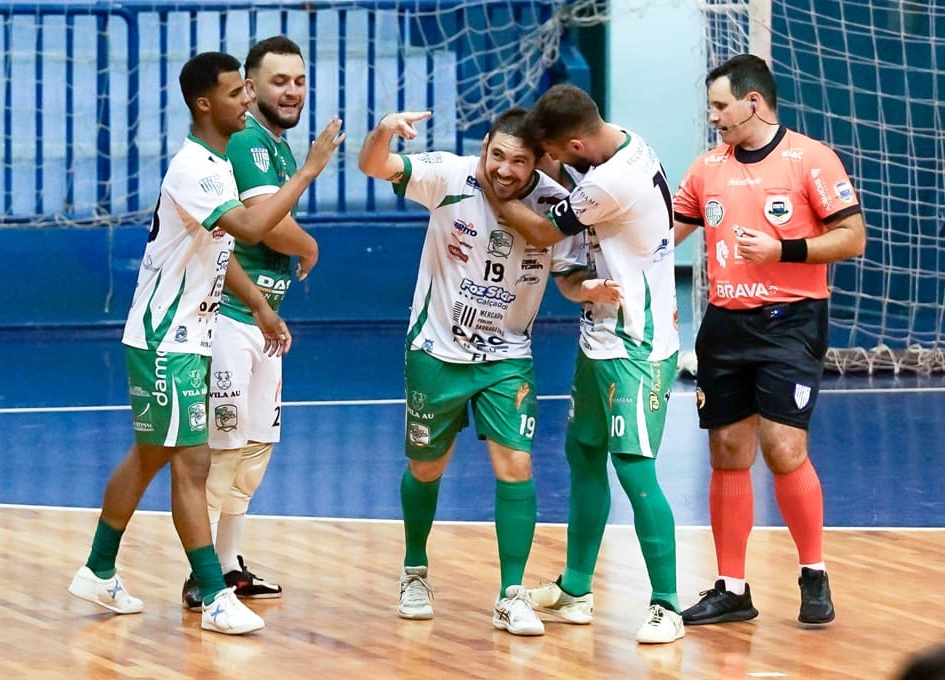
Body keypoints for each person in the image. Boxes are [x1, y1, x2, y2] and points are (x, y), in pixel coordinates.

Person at [67, 51, 344, 635]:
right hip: (167, 337)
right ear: (204, 104)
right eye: (236, 93)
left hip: (184, 334)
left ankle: (97, 568)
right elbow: (246, 228)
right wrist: (311, 169)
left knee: (151, 457)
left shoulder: (216, 163)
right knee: (191, 465)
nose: (248, 100)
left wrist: (263, 305)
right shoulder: (196, 167)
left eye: (248, 90)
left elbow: (220, 252)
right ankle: (214, 594)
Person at [476, 83, 684, 645]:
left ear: (574, 143)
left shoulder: (612, 181)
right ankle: (575, 590)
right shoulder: (626, 144)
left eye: (550, 155)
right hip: (601, 334)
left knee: (635, 469)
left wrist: (492, 192)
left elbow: (542, 229)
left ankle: (667, 603)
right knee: (584, 453)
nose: (545, 165)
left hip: (635, 345)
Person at [357, 107, 577, 637]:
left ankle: (511, 594)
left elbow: (568, 270)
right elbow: (373, 165)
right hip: (436, 350)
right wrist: (385, 130)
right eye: (497, 155)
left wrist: (587, 291)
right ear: (484, 147)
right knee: (427, 468)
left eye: (518, 162)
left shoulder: (555, 204)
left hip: (507, 356)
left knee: (516, 467)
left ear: (538, 164)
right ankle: (414, 571)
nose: (504, 169)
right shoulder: (450, 175)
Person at [670, 53, 867, 627]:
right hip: (725, 325)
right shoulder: (707, 167)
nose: (714, 117)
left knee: (784, 449)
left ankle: (814, 572)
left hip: (791, 321)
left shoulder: (810, 158)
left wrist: (785, 250)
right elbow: (666, 232)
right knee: (728, 453)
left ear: (753, 103)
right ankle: (732, 588)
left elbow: (852, 236)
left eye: (720, 106)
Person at [179, 35, 320, 611]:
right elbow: (259, 227)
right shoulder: (247, 144)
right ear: (251, 87)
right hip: (228, 317)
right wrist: (311, 244)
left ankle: (230, 564)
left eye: (299, 80)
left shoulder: (277, 148)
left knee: (255, 446)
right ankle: (202, 576)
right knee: (224, 445)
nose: (291, 91)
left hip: (263, 316)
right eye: (277, 81)